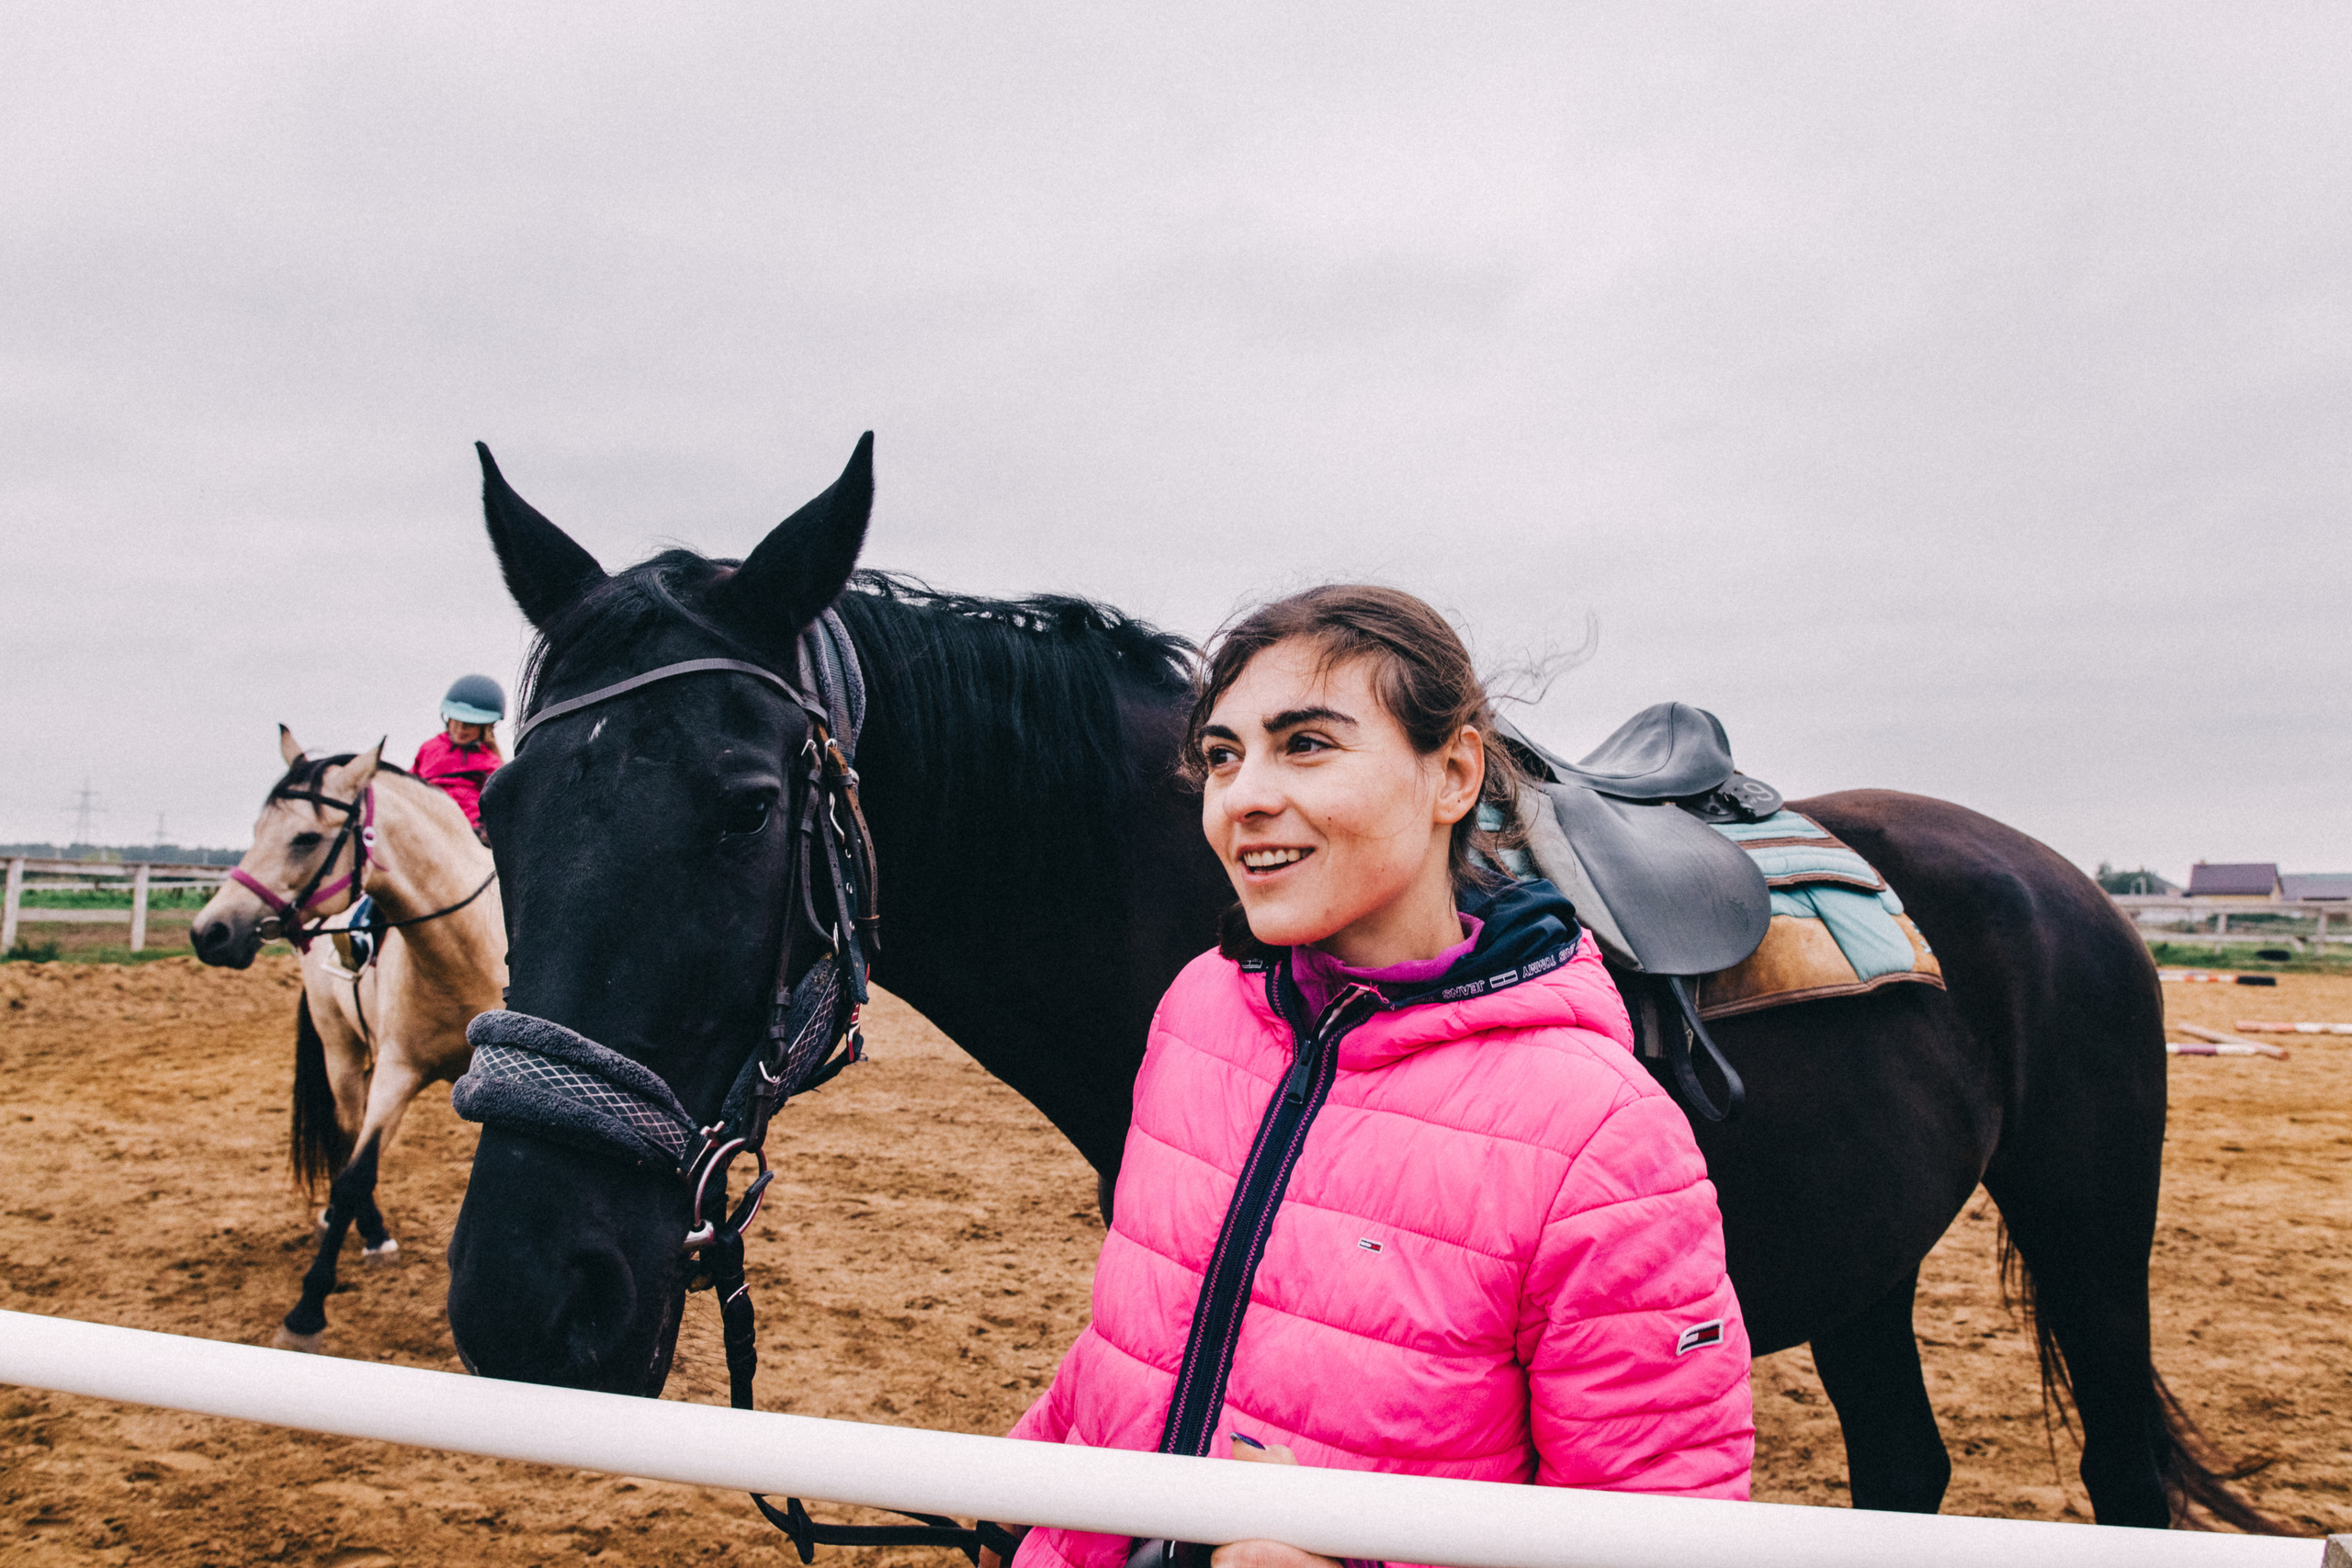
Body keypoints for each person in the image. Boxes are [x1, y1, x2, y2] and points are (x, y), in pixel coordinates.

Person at [998, 587, 1752, 1568]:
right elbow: (1151, 1321)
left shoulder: (1601, 1136)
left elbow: (1656, 1540)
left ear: (1453, 776)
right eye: (1224, 756)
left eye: (1304, 743)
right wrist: (1032, 1492)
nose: (1243, 797)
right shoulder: (1200, 1009)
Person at [413, 674, 504, 844]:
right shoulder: (429, 749)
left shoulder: (490, 763)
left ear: (484, 727)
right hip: (423, 819)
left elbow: (497, 804)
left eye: (469, 723)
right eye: (456, 721)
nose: (461, 728)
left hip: (467, 832)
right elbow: (411, 781)